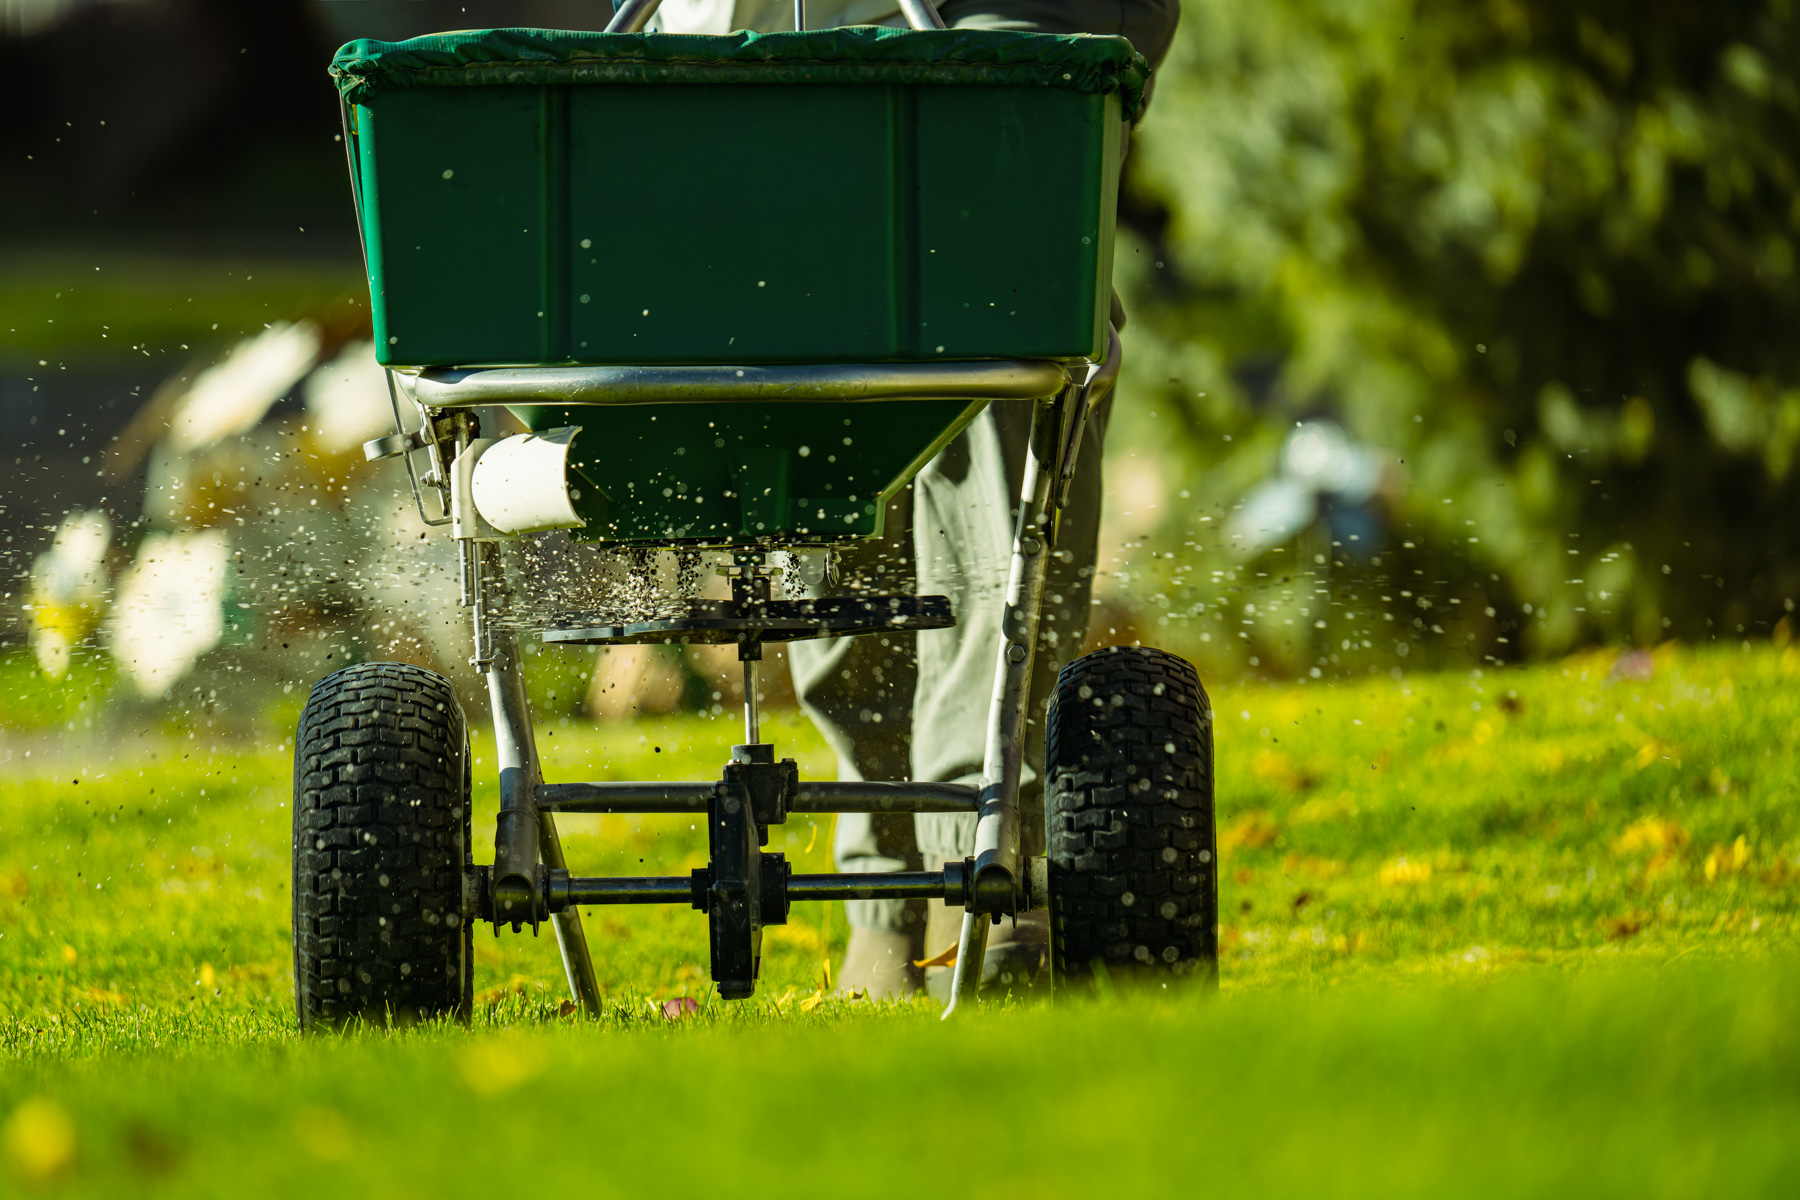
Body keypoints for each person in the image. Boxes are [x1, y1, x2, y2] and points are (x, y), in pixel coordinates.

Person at [654, 0, 1182, 998]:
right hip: (792, 25)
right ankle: (892, 883)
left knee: (996, 315)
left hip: (1012, 16)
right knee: (825, 345)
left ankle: (983, 854)